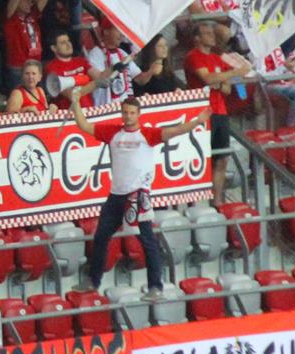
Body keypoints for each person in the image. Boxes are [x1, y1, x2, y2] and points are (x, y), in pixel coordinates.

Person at [71, 89, 206, 299]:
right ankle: (93, 280)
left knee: (147, 241)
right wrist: (75, 102)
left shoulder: (147, 134)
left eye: (132, 113)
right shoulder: (112, 133)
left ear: (138, 114)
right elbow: (84, 125)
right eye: (125, 112)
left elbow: (175, 131)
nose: (128, 116)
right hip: (116, 195)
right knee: (101, 237)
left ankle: (156, 286)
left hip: (137, 195)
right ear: (121, 113)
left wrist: (196, 122)